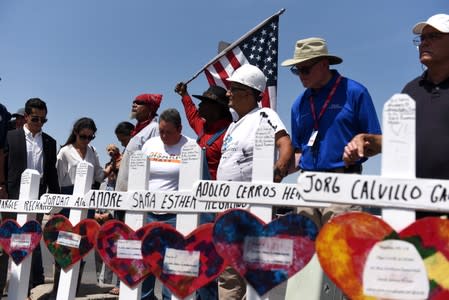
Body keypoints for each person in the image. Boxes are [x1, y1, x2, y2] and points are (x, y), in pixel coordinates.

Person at [344, 14, 449, 218]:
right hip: (412, 210)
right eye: (422, 38)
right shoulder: (410, 91)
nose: (424, 42)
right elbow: (400, 141)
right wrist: (368, 142)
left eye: (433, 36)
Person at [281, 37, 382, 227]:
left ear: (324, 64)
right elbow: (299, 152)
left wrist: (360, 148)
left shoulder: (355, 92)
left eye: (305, 68)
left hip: (343, 184)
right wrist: (278, 171)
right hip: (307, 185)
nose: (301, 75)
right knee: (306, 253)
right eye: (296, 70)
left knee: (339, 252)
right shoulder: (299, 104)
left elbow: (378, 142)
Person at [216, 64, 293, 299]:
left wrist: (276, 177)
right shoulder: (232, 125)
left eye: (233, 88)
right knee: (228, 275)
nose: (227, 93)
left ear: (249, 93)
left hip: (252, 211)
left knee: (252, 275)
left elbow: (285, 145)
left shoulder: (265, 115)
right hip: (226, 210)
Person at [174, 83, 232, 300]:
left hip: (216, 205)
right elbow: (191, 115)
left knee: (209, 258)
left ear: (217, 107)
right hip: (197, 202)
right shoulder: (203, 128)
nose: (199, 106)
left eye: (204, 103)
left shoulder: (229, 132)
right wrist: (184, 96)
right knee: (195, 255)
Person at [0, 98, 60, 295]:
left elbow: (51, 172)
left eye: (44, 120)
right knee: (7, 243)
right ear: (26, 116)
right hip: (12, 197)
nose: (40, 123)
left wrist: (55, 197)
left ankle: (31, 286)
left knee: (31, 241)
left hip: (38, 200)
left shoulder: (50, 142)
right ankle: (2, 286)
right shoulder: (10, 137)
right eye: (36, 118)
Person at [140, 108, 194, 300]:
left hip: (175, 217)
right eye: (161, 131)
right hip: (148, 213)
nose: (163, 136)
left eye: (168, 132)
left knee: (171, 266)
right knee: (145, 261)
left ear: (180, 128)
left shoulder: (191, 147)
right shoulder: (149, 145)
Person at [54, 117, 104, 295]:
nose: (87, 141)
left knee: (83, 241)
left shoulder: (92, 151)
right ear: (75, 133)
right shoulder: (65, 152)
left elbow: (98, 174)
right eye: (83, 136)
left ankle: (74, 285)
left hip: (87, 199)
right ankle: (59, 286)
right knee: (66, 243)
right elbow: (59, 179)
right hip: (69, 197)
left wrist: (111, 168)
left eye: (91, 137)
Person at [115, 94, 162, 192]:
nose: (134, 105)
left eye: (140, 103)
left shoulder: (154, 128)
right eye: (134, 102)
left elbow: (155, 160)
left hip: (136, 192)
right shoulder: (139, 130)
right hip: (124, 192)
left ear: (150, 108)